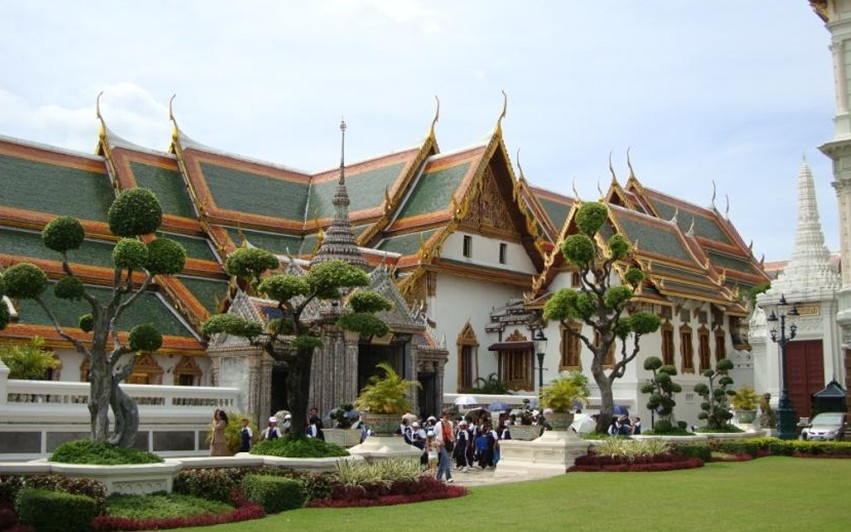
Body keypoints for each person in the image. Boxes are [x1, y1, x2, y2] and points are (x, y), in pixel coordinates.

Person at [433, 411, 454, 483]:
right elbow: (435, 434)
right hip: (441, 444)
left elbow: (451, 433)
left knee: (443, 460)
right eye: (446, 415)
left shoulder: (451, 423)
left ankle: (438, 477)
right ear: (443, 416)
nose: (447, 417)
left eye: (449, 415)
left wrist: (453, 440)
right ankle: (449, 477)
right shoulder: (438, 424)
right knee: (447, 459)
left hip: (449, 443)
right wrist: (439, 441)